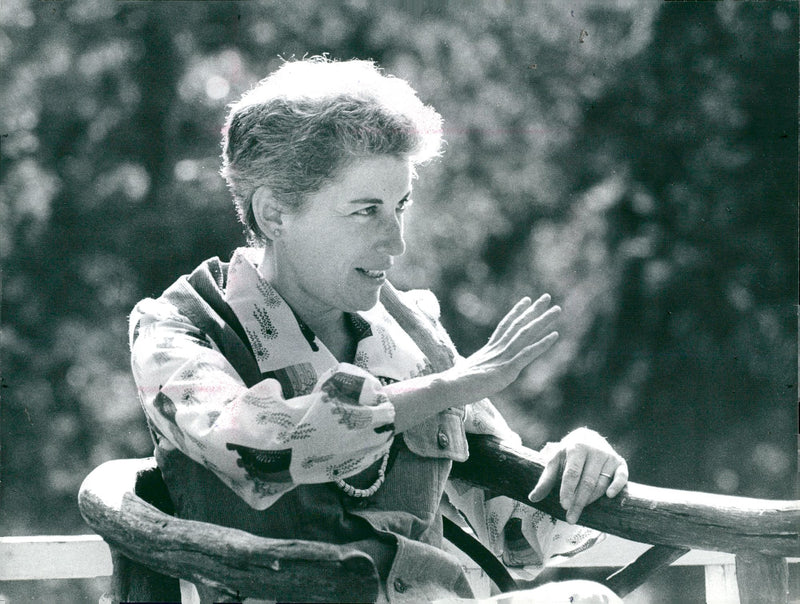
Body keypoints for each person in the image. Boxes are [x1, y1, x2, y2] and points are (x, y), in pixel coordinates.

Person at [129, 57, 627, 604]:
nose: (396, 242)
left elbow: (515, 534)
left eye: (401, 206)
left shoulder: (412, 331)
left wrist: (583, 462)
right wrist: (451, 387)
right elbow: (253, 445)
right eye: (366, 210)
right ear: (274, 214)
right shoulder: (179, 326)